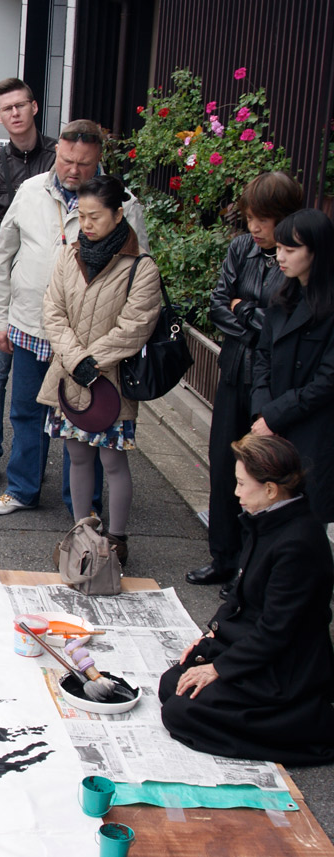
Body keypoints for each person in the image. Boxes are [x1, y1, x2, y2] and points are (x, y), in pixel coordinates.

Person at [0, 119, 147, 517]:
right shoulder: (30, 189)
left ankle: (83, 505)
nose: (74, 170)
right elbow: (3, 256)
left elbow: (137, 270)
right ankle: (23, 488)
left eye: (85, 164)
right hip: (31, 324)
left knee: (88, 417)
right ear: (56, 152)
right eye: (67, 160)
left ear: (99, 161)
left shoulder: (122, 203)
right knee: (25, 410)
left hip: (91, 340)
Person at [160, 434, 334, 765]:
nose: (236, 493)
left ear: (270, 489)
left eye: (242, 484)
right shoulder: (269, 520)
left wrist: (219, 668)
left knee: (179, 711)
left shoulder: (298, 543)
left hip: (286, 667)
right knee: (174, 683)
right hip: (256, 643)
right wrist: (211, 636)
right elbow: (240, 595)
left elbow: (277, 631)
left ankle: (306, 732)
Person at [36, 175, 161, 563]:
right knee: (76, 455)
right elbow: (52, 312)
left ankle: (118, 539)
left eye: (96, 217)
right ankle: (82, 532)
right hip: (71, 375)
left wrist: (92, 362)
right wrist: (76, 361)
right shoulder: (70, 256)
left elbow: (136, 326)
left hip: (112, 380)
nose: (87, 225)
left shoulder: (140, 267)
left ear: (119, 214)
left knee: (113, 458)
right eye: (82, 216)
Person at [188, 172, 303, 588]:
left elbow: (281, 325)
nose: (255, 228)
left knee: (262, 473)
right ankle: (222, 556)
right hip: (234, 369)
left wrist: (244, 311)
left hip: (270, 381)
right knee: (223, 466)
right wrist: (247, 314)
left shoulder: (298, 260)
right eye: (250, 218)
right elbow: (218, 304)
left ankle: (251, 570)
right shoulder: (241, 248)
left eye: (264, 220)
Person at [0, 78, 56, 488]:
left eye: (22, 105)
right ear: (0, 116)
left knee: (49, 376)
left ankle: (36, 461)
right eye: (7, 108)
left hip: (54, 286)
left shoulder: (61, 158)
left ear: (34, 107)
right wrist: (15, 224)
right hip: (1, 282)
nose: (16, 114)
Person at [250, 208, 334, 525]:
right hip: (272, 424)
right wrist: (261, 411)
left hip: (312, 429)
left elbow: (327, 380)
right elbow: (262, 357)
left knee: (304, 521)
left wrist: (272, 414)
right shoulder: (283, 295)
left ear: (317, 250)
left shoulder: (327, 305)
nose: (281, 257)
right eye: (280, 249)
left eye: (291, 249)